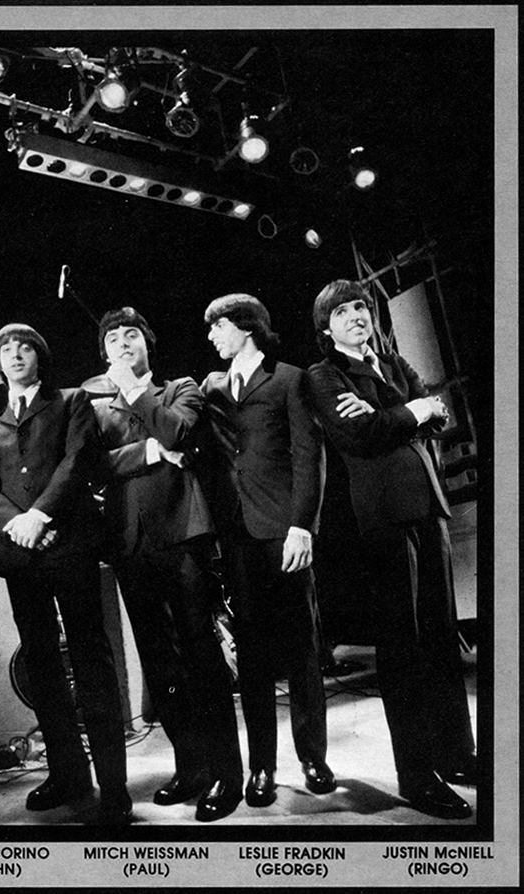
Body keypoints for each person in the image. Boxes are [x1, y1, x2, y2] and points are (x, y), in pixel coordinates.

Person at [307, 279, 476, 820]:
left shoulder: (394, 362)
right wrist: (415, 410)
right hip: (384, 517)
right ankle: (418, 774)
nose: (357, 315)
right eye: (343, 311)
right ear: (326, 327)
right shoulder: (324, 375)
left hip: (430, 505)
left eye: (362, 306)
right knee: (403, 645)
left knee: (442, 636)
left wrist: (410, 411)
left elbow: (440, 415)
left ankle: (458, 755)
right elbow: (361, 435)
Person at [82, 306, 243, 823]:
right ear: (103, 353)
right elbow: (93, 466)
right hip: (130, 543)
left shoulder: (180, 389)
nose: (122, 342)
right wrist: (150, 450)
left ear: (147, 344)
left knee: (200, 651)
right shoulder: (95, 409)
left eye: (131, 334)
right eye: (112, 338)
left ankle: (227, 773)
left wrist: (137, 395)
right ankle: (190, 765)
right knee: (159, 660)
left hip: (182, 534)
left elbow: (177, 432)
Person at [0, 323, 132, 824]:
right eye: (6, 349)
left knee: (91, 661)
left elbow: (79, 459)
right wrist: (18, 526)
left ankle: (114, 786)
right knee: (41, 666)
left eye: (24, 347)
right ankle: (68, 775)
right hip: (22, 557)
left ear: (39, 356)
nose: (15, 354)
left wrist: (39, 516)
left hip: (69, 546)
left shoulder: (71, 401)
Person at [201, 293, 335, 809]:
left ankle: (313, 757)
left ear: (246, 326)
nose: (211, 336)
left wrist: (303, 526)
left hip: (283, 530)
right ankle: (262, 766)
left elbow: (309, 456)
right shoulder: (214, 387)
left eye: (218, 326)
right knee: (252, 655)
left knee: (302, 648)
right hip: (237, 535)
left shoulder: (289, 379)